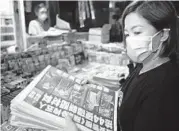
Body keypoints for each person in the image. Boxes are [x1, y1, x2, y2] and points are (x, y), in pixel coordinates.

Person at [64, 1, 179, 131]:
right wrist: (99, 89)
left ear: (163, 34)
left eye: (137, 32)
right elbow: (129, 96)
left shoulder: (165, 87)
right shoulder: (144, 65)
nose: (130, 40)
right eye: (127, 34)